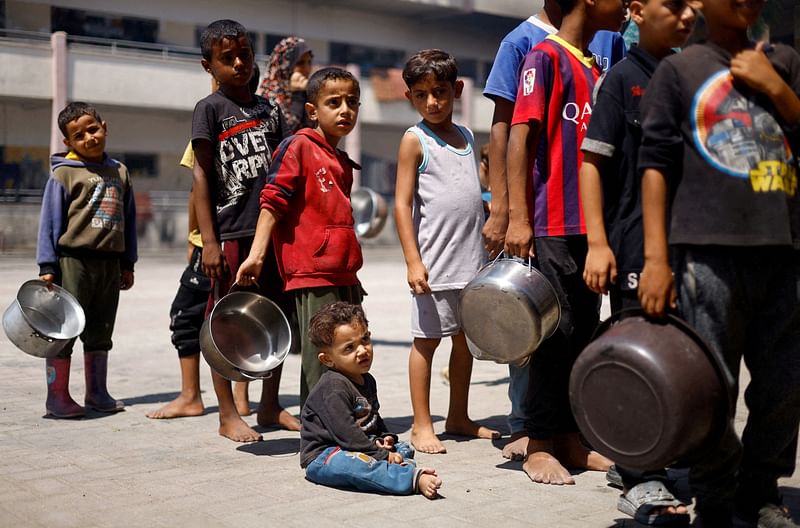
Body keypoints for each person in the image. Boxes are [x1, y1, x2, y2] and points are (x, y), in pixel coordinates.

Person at [637, 0, 800, 524]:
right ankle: (714, 493)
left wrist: (775, 87)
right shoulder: (679, 69)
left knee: (784, 383)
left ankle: (761, 489)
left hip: (783, 249)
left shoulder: (786, 62)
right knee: (711, 385)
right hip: (706, 252)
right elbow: (655, 165)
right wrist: (656, 259)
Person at [482, 0, 626, 461]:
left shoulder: (595, 63)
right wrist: (518, 217)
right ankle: (540, 441)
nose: (624, 3)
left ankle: (570, 436)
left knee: (582, 329)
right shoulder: (543, 56)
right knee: (552, 332)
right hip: (553, 223)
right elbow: (519, 136)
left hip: (591, 224)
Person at [579, 0, 697, 522]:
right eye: (673, 4)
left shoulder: (690, 76)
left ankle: (659, 452)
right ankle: (638, 476)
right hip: (630, 243)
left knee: (681, 353)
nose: (687, 14)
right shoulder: (622, 78)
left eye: (693, 4)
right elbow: (591, 164)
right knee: (636, 352)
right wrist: (598, 243)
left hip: (686, 244)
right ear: (637, 11)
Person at [192, 19, 299, 442]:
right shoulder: (209, 109)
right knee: (225, 322)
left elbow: (287, 168)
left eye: (244, 55)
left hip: (272, 234)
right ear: (208, 65)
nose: (238, 63)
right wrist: (210, 242)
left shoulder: (270, 109)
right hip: (231, 233)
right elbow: (200, 175)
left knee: (276, 320)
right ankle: (227, 414)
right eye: (227, 58)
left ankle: (270, 405)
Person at [236, 67, 365, 407]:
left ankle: (344, 420)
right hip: (313, 273)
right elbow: (273, 201)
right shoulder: (298, 147)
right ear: (312, 111)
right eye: (333, 102)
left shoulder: (340, 160)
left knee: (351, 352)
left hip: (344, 273)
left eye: (352, 102)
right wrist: (257, 254)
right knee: (322, 356)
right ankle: (319, 432)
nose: (344, 110)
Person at [394, 49, 500, 455]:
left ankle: (458, 416)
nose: (432, 102)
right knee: (427, 342)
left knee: (462, 342)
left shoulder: (468, 137)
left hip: (470, 264)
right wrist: (413, 261)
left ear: (456, 90)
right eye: (421, 95)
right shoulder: (414, 141)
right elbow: (402, 204)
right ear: (410, 98)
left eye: (439, 92)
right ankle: (422, 424)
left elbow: (468, 194)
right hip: (433, 266)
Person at [37, 101, 137, 418]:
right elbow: (49, 222)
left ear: (104, 127)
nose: (89, 138)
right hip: (73, 262)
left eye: (93, 129)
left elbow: (130, 220)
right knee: (65, 328)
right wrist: (47, 266)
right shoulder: (64, 174)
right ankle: (57, 396)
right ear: (68, 143)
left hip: (109, 263)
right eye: (79, 136)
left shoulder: (119, 171)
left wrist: (128, 263)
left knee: (101, 329)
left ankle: (97, 392)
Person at [299, 301, 442, 499]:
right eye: (349, 348)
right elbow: (347, 434)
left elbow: (371, 417)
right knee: (357, 465)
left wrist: (385, 438)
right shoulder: (333, 388)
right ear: (327, 359)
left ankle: (389, 463)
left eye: (364, 340)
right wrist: (381, 454)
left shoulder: (366, 379)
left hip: (356, 445)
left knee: (402, 448)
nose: (362, 350)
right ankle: (411, 479)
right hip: (326, 456)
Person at [258, 36, 314, 134]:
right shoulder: (267, 99)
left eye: (309, 62)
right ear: (284, 65)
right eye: (300, 63)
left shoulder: (309, 94)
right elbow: (284, 132)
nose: (307, 69)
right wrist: (297, 96)